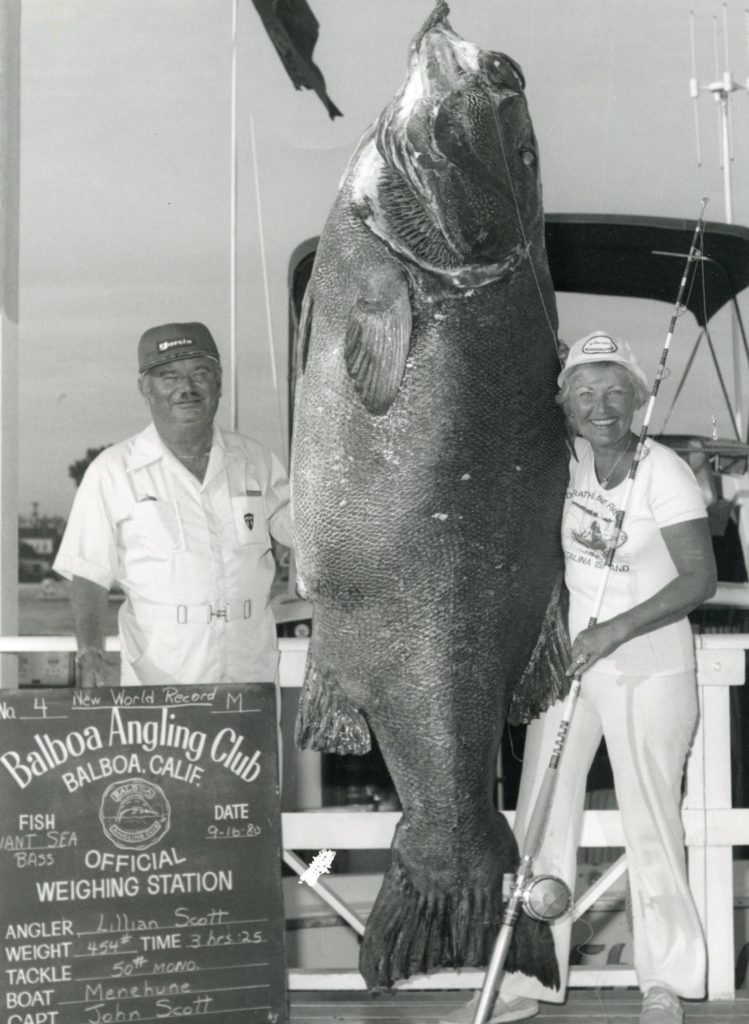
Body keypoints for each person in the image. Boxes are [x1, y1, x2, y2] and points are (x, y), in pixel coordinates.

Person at [443, 331, 717, 1024]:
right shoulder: (563, 466)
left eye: (615, 391)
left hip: (646, 666)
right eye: (584, 393)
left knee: (650, 821)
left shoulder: (664, 473)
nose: (601, 407)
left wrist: (612, 631)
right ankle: (530, 978)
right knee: (538, 818)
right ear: (563, 403)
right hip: (570, 668)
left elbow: (698, 580)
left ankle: (664, 982)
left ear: (637, 398)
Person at [54, 321, 294, 688]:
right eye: (169, 377)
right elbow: (88, 576)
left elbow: (306, 531)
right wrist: (89, 654)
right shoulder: (114, 471)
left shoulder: (258, 462)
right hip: (160, 675)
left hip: (251, 672)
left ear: (219, 381)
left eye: (200, 373)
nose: (186, 388)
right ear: (145, 389)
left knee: (254, 747)